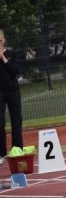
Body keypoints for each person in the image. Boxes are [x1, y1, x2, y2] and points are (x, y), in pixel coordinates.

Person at [0, 30, 24, 159]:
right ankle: (1, 153)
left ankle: (17, 149)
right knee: (0, 122)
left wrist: (4, 59)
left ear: (4, 39)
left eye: (1, 39)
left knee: (16, 121)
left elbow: (15, 71)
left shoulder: (11, 53)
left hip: (13, 91)